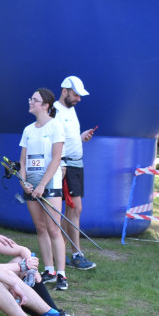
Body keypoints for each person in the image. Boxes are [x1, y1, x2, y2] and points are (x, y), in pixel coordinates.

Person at [20, 88, 68, 291]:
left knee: (53, 229)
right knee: (40, 227)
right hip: (31, 186)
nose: (30, 102)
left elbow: (56, 158)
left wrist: (42, 185)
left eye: (35, 100)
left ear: (46, 105)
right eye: (31, 98)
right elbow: (22, 161)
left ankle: (62, 274)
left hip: (49, 185)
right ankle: (48, 269)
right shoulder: (28, 130)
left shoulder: (55, 126)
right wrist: (23, 181)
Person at [55, 75, 96, 271]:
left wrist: (82, 137)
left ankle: (62, 253)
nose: (78, 99)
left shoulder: (70, 110)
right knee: (75, 208)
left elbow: (69, 138)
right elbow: (55, 139)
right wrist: (61, 163)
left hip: (76, 165)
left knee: (72, 210)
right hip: (66, 166)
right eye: (75, 95)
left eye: (80, 96)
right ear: (64, 91)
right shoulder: (55, 110)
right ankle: (76, 254)